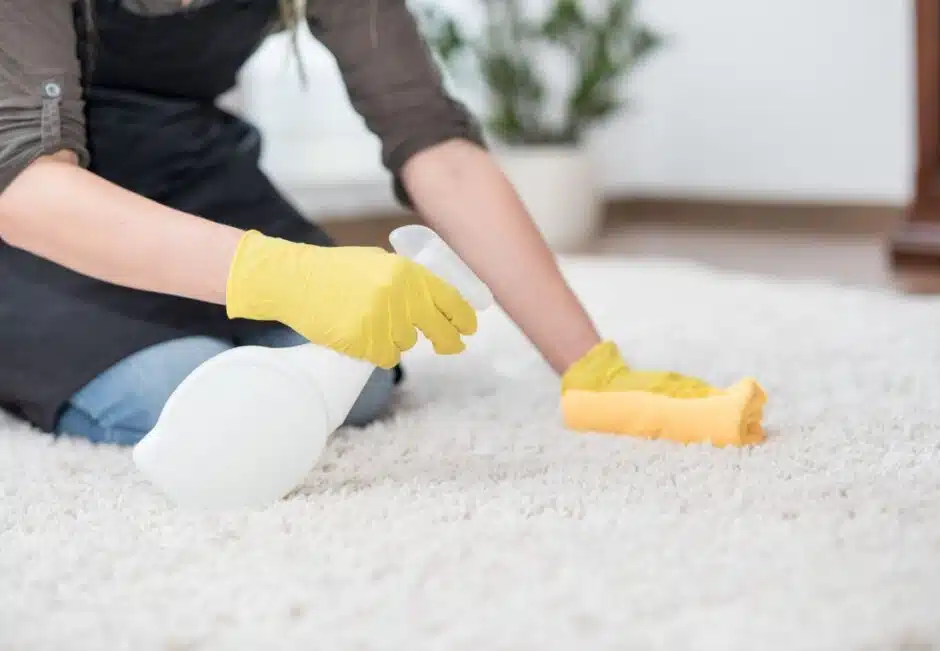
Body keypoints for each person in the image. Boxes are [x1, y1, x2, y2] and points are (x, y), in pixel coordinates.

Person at [0, 0, 748, 449]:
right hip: (33, 210)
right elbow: (28, 187)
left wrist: (592, 369)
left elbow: (432, 142)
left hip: (188, 168)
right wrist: (282, 275)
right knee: (191, 394)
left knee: (355, 382)